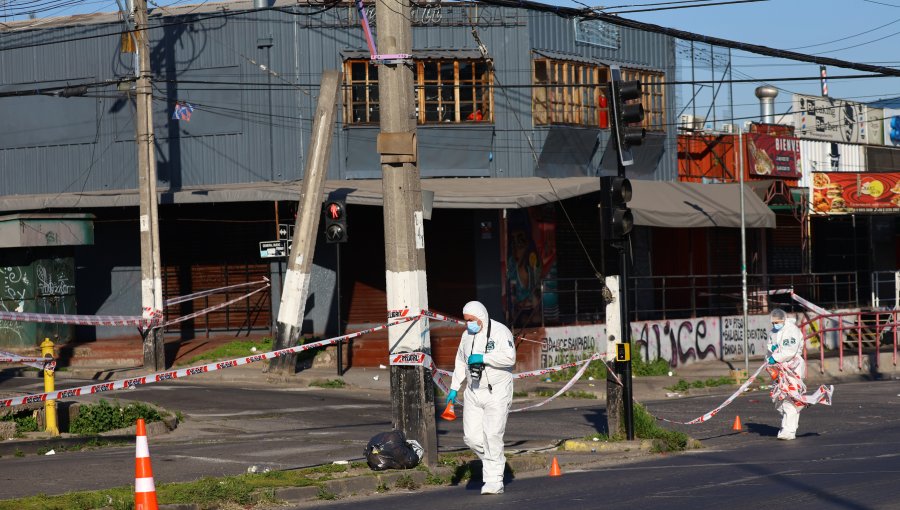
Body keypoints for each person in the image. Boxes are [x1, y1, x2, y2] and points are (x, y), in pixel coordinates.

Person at [446, 301, 516, 495]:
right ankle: (495, 461)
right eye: (466, 320)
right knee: (472, 437)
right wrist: (453, 389)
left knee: (492, 435)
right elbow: (460, 361)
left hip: (497, 391)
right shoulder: (466, 335)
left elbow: (510, 358)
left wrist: (484, 358)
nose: (469, 324)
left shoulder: (501, 332)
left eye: (472, 320)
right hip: (473, 391)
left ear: (481, 317)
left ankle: (494, 481)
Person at [766, 308, 806, 440]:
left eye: (777, 322)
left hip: (792, 368)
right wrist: (771, 351)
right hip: (780, 369)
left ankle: (789, 431)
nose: (774, 325)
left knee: (790, 398)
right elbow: (770, 344)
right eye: (773, 323)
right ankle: (786, 427)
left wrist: (776, 357)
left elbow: (789, 351)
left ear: (783, 320)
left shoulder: (791, 331)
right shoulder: (774, 331)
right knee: (779, 398)